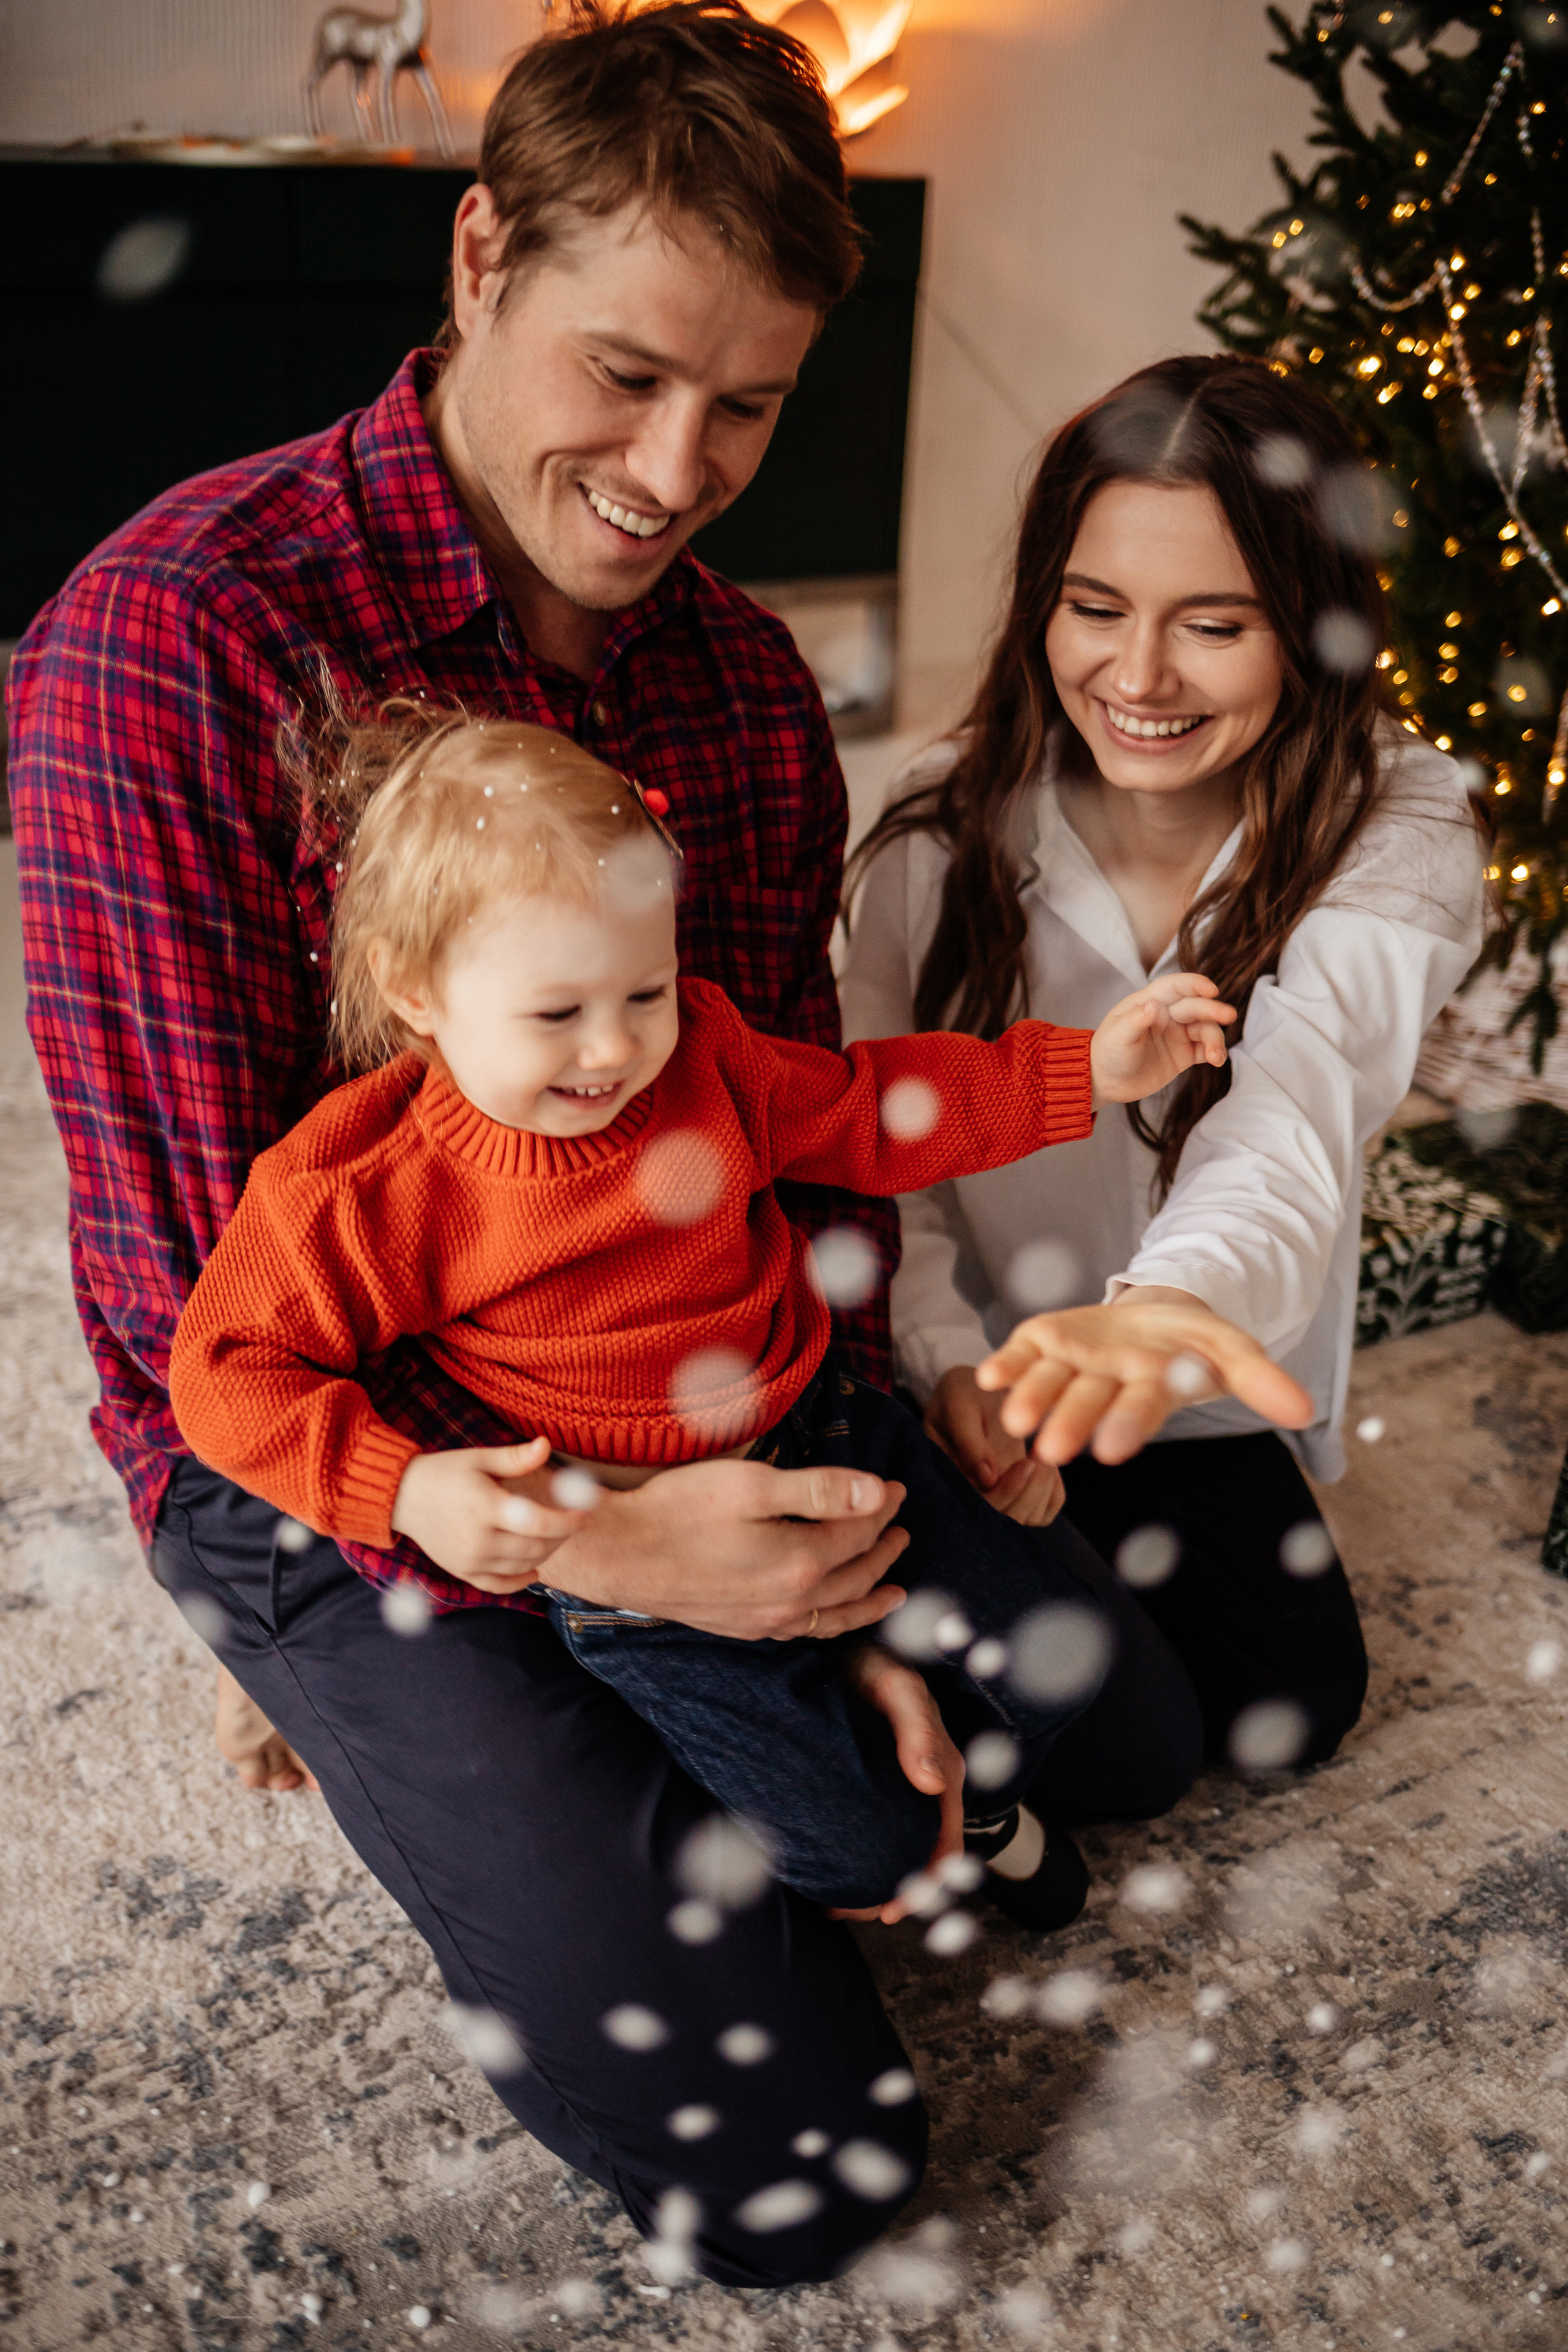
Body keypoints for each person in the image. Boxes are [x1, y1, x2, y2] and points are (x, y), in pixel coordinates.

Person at [9, 5, 1308, 2280]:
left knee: (1131, 1743)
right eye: (626, 372)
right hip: (358, 1457)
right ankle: (440, 1721)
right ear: (483, 249)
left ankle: (798, 1690)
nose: (681, 464)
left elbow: (797, 1139)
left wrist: (836, 1529)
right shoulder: (171, 651)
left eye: (751, 402)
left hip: (714, 1373)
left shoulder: (737, 687)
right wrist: (604, 1550)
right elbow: (186, 1332)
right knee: (803, 2186)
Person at [167, 709, 1276, 1925]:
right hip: (629, 1554)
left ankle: (919, 1722)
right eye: (556, 1014)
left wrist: (1080, 1071)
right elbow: (224, 1373)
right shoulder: (368, 1189)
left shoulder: (703, 1056)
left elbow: (868, 1110)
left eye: (641, 989)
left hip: (829, 1435)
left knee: (1066, 1668)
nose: (614, 1049)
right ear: (412, 988)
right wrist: (404, 1492)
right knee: (865, 1857)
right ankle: (841, 1783)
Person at [841, 352, 1487, 1776]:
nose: (1135, 678)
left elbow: (1290, 1123)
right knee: (1104, 1746)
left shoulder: (1402, 825)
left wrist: (1165, 1310)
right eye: (1093, 609)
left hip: (1172, 1381)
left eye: (1211, 625)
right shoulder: (937, 824)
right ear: (1041, 604)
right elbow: (884, 1143)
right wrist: (949, 1365)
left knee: (1286, 1715)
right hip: (959, 1379)